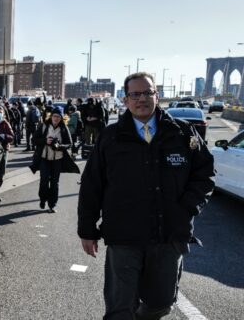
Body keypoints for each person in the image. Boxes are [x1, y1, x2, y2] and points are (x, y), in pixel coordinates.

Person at [78, 72, 214, 320]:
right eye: (135, 94)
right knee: (120, 309)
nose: (142, 99)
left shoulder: (182, 135)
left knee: (161, 304)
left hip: (169, 235)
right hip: (124, 236)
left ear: (157, 96)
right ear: (126, 100)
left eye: (147, 93)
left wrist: (186, 208)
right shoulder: (111, 137)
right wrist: (87, 229)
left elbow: (205, 175)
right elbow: (91, 185)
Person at [30, 106, 79, 212]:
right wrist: (45, 141)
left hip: (58, 159)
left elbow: (69, 144)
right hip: (44, 157)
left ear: (62, 118)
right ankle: (43, 199)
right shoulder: (44, 126)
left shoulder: (63, 128)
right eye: (54, 116)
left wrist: (59, 146)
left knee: (54, 182)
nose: (56, 118)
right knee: (44, 180)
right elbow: (34, 139)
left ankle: (52, 204)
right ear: (51, 116)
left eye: (58, 116)